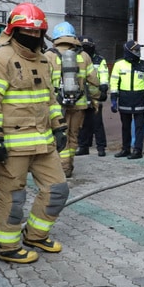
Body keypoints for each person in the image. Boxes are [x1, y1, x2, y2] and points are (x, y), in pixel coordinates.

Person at [0, 3, 68, 263]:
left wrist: (59, 127)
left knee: (58, 190)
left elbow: (50, 99)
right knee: (13, 198)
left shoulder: (44, 60)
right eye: (26, 32)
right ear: (13, 30)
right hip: (12, 145)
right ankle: (7, 247)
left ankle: (35, 235)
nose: (32, 37)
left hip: (43, 143)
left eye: (37, 32)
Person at [46, 22, 100, 178]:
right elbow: (94, 81)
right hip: (79, 104)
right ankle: (68, 165)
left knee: (60, 135)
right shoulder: (83, 56)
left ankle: (62, 168)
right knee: (73, 135)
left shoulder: (48, 56)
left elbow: (44, 83)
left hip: (57, 105)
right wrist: (96, 100)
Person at [110, 40, 144, 159]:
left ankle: (137, 150)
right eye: (135, 50)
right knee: (125, 126)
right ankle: (125, 149)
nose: (138, 52)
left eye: (138, 50)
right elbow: (114, 82)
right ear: (128, 51)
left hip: (140, 99)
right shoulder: (119, 65)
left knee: (139, 127)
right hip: (125, 99)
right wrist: (113, 99)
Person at [76, 36, 110, 156]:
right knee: (83, 122)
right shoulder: (77, 58)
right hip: (81, 95)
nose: (86, 49)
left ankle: (101, 147)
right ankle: (83, 146)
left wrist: (104, 86)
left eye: (88, 47)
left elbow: (104, 74)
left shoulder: (99, 60)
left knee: (97, 122)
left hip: (95, 95)